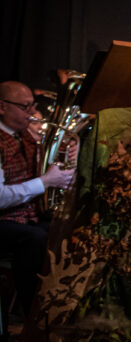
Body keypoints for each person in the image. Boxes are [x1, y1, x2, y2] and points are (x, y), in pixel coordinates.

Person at [0, 81, 75, 316]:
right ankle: (32, 315)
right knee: (36, 239)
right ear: (2, 107)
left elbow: (47, 171)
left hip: (26, 217)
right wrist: (45, 182)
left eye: (32, 106)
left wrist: (67, 155)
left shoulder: (27, 137)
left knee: (66, 231)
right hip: (4, 220)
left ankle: (62, 309)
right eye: (25, 107)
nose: (32, 113)